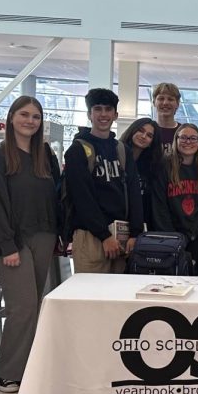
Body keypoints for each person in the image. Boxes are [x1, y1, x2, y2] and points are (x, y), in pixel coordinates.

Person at [0, 96, 62, 394]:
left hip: (45, 236)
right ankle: (7, 371)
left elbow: (56, 196)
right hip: (12, 240)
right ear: (12, 117)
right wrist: (6, 245)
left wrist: (61, 235)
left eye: (36, 117)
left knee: (35, 306)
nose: (30, 121)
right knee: (23, 307)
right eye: (25, 115)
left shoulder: (45, 155)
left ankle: (28, 366)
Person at [65, 89, 144, 274]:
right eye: (97, 109)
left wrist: (135, 232)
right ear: (89, 114)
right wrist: (104, 235)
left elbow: (133, 192)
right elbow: (82, 198)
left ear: (115, 115)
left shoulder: (122, 150)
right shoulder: (77, 150)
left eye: (108, 109)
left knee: (117, 298)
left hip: (121, 235)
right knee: (90, 296)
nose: (103, 114)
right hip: (90, 235)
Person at [153, 122, 198, 256]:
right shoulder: (164, 165)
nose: (188, 141)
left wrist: (191, 234)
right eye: (183, 137)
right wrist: (172, 237)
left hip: (194, 235)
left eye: (193, 138)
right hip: (167, 235)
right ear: (176, 140)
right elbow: (159, 205)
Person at [120, 118, 158, 229]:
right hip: (116, 220)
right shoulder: (117, 155)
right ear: (132, 130)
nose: (143, 136)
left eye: (149, 135)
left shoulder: (152, 166)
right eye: (140, 130)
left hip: (140, 223)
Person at [150, 82, 182, 162]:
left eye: (170, 99)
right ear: (154, 102)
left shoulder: (182, 132)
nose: (165, 103)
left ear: (177, 104)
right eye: (161, 99)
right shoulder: (146, 130)